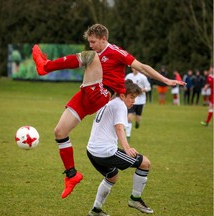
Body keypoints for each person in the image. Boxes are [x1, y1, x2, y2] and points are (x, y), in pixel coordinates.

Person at [32, 23, 185, 199]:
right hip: (86, 94)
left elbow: (142, 67)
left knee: (90, 57)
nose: (91, 45)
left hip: (102, 94)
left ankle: (46, 66)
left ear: (104, 39)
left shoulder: (117, 52)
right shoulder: (96, 53)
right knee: (60, 132)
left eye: (93, 41)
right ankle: (72, 175)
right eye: (89, 41)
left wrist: (166, 80)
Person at [87, 80, 153, 216]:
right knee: (145, 163)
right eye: (132, 97)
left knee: (112, 176)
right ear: (122, 95)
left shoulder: (108, 102)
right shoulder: (119, 105)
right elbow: (119, 128)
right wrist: (127, 148)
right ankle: (135, 199)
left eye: (135, 97)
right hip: (105, 152)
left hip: (91, 151)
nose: (134, 101)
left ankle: (96, 210)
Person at [125, 68, 151, 140]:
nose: (135, 69)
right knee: (129, 117)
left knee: (138, 118)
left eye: (136, 68)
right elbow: (124, 85)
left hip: (141, 101)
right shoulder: (128, 76)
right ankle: (128, 135)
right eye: (133, 68)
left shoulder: (143, 77)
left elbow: (149, 87)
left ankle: (137, 123)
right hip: (131, 100)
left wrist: (142, 90)